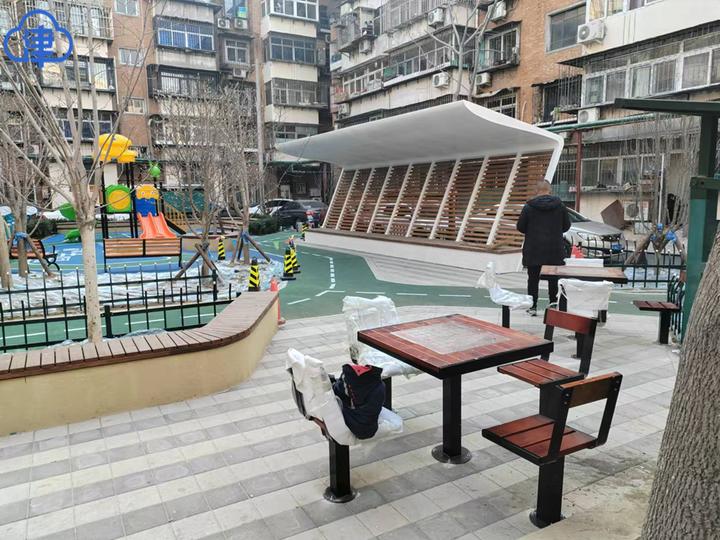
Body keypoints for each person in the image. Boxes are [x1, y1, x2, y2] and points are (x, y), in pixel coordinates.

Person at [516, 180, 571, 316]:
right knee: (553, 279)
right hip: (554, 249)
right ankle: (553, 305)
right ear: (550, 190)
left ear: (536, 191)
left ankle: (533, 306)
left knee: (533, 279)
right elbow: (567, 226)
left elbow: (520, 227)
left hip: (534, 249)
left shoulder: (528, 207)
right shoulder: (560, 206)